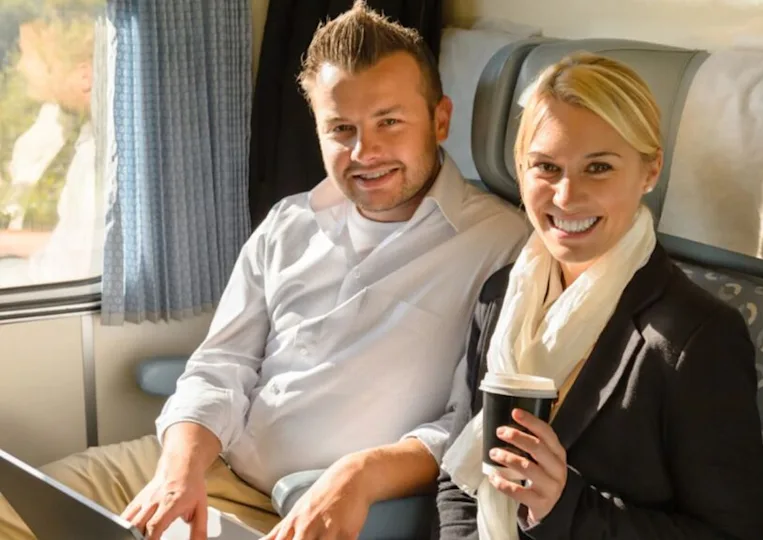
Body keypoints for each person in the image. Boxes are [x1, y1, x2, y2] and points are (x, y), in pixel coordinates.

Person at [0, 2, 529, 540]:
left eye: (389, 122)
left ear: (440, 120)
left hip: (307, 506)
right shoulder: (289, 221)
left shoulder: (503, 246)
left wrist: (362, 473)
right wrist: (179, 468)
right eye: (340, 128)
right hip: (204, 461)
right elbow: (221, 364)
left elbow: (471, 424)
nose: (364, 151)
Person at [436, 53, 763, 539]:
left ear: (650, 171)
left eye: (598, 167)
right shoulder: (500, 297)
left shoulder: (695, 338)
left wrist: (564, 508)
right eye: (546, 167)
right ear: (520, 170)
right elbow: (458, 478)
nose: (566, 196)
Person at [0, 16, 100, 287]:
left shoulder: (95, 154)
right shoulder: (58, 119)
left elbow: (71, 261)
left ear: (84, 76)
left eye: (27, 54)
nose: (19, 66)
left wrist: (6, 242)